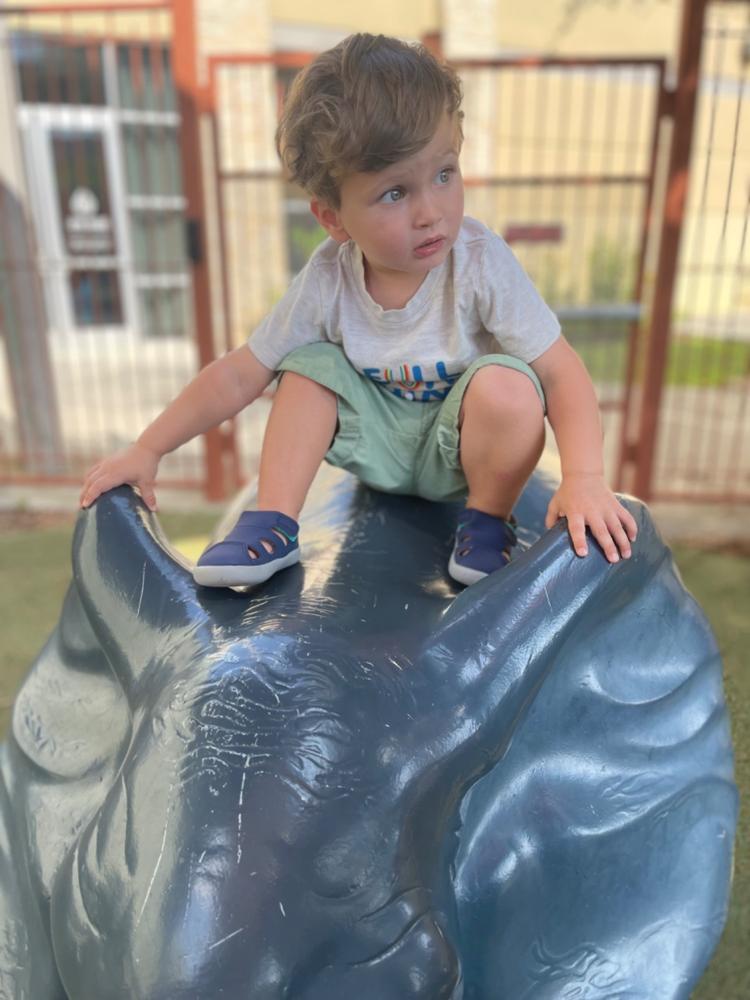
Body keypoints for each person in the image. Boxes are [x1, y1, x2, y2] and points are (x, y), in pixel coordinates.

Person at [80, 33, 637, 588]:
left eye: (444, 174)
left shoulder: (479, 261)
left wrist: (586, 477)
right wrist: (148, 448)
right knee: (307, 367)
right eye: (395, 193)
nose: (431, 212)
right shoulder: (329, 278)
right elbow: (240, 373)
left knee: (512, 383)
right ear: (333, 218)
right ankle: (273, 522)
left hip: (460, 454)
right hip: (374, 448)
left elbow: (560, 371)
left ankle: (488, 521)